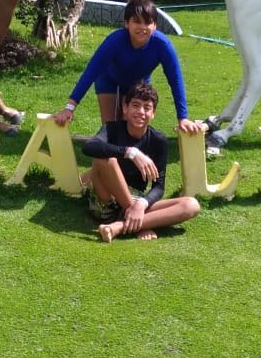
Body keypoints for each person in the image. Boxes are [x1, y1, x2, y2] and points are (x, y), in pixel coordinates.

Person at [53, 0, 202, 133]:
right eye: (136, 21)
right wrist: (69, 108)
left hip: (138, 84)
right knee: (111, 130)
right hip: (109, 80)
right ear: (127, 23)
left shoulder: (163, 45)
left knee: (134, 128)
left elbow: (176, 80)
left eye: (148, 22)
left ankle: (133, 150)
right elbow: (91, 72)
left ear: (155, 25)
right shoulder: (115, 40)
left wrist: (183, 118)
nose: (142, 27)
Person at [82, 81, 200, 243]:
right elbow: (89, 147)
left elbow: (159, 186)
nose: (141, 112)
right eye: (135, 105)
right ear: (125, 108)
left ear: (153, 113)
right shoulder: (111, 129)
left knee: (191, 205)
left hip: (135, 199)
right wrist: (131, 152)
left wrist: (141, 205)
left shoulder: (159, 141)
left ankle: (119, 226)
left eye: (147, 108)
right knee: (105, 158)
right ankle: (139, 223)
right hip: (105, 202)